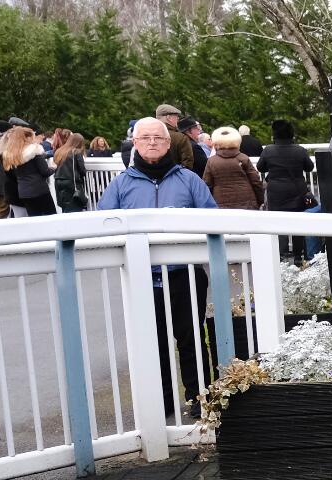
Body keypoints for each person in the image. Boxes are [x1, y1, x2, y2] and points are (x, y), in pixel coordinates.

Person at [97, 117, 233, 419]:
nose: (152, 143)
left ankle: (200, 396)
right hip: (143, 277)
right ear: (135, 143)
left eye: (157, 138)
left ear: (168, 142)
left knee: (192, 337)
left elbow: (212, 219)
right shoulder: (121, 185)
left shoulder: (189, 180)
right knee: (153, 339)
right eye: (145, 138)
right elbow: (102, 223)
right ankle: (163, 402)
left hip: (185, 274)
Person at [257, 120, 314, 260]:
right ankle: (298, 256)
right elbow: (309, 167)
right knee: (298, 223)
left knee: (278, 222)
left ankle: (281, 255)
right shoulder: (300, 150)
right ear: (291, 134)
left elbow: (260, 167)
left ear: (274, 135)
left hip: (276, 192)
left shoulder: (268, 150)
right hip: (297, 190)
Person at [1, 126, 58, 217]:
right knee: (50, 217)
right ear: (27, 137)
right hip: (39, 190)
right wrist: (54, 167)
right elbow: (45, 172)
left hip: (24, 192)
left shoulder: (11, 155)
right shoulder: (35, 151)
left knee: (33, 219)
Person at [202, 127, 265, 210]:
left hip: (220, 202)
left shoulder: (211, 161)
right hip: (246, 201)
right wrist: (260, 200)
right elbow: (255, 181)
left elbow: (207, 184)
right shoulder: (243, 158)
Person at [155, 104, 198, 172]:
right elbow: (187, 163)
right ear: (169, 117)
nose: (178, 119)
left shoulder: (145, 136)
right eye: (176, 116)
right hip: (175, 178)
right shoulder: (180, 138)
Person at [54, 132, 89, 213]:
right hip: (71, 182)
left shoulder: (59, 151)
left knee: (65, 207)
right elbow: (82, 170)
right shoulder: (76, 152)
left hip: (58, 181)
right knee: (74, 209)